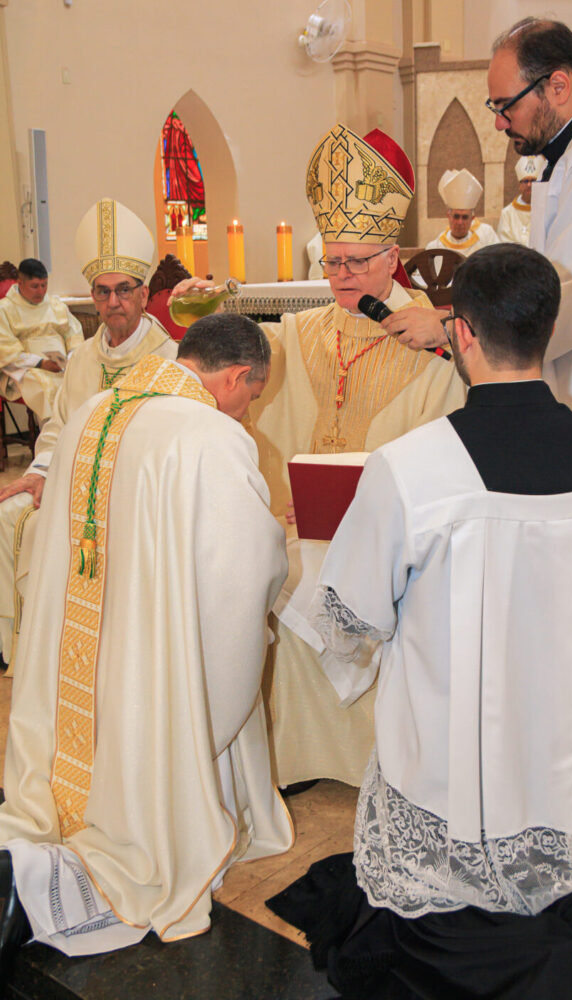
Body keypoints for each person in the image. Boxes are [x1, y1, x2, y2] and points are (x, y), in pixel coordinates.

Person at [269, 244, 572, 1000]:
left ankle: (529, 954)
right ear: (544, 330)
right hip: (559, 746)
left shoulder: (411, 464)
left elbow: (349, 614)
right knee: (547, 862)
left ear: (462, 333)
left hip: (450, 755)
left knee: (432, 906)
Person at [378, 18, 572, 807]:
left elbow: (562, 297)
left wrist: (452, 329)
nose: (498, 121)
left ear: (556, 85)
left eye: (503, 103)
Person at [0, 313, 292, 985]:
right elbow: (242, 571)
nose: (248, 408)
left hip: (84, 634)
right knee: (166, 708)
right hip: (152, 650)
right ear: (237, 376)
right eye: (253, 394)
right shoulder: (208, 433)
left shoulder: (94, 409)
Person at [173, 123, 465, 790]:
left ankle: (378, 761)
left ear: (392, 258)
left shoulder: (430, 339)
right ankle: (291, 755)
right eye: (330, 262)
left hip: (394, 540)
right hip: (303, 528)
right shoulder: (297, 332)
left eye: (355, 263)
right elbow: (221, 379)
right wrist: (197, 317)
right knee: (258, 565)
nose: (339, 276)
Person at [0, 199, 177, 667]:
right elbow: (58, 424)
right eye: (102, 291)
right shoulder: (82, 358)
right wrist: (39, 471)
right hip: (72, 484)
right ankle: (22, 648)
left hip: (135, 496)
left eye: (123, 290)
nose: (112, 302)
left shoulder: (169, 359)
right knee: (9, 512)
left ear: (143, 294)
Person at [0, 258, 84, 424]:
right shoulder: (4, 309)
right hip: (24, 369)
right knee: (44, 386)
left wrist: (72, 358)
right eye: (35, 286)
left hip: (61, 365)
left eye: (44, 285)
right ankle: (51, 441)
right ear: (20, 283)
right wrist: (41, 363)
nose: (40, 291)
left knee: (82, 382)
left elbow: (74, 335)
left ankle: (79, 436)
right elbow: (6, 349)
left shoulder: (55, 305)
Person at [424, 167, 498, 256]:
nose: (460, 222)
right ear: (448, 216)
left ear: (472, 219)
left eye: (465, 217)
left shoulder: (484, 243)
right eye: (456, 216)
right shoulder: (435, 247)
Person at [496, 155, 545, 245]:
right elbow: (503, 244)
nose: (529, 185)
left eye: (533, 181)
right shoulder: (507, 213)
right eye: (526, 181)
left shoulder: (545, 210)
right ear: (519, 185)